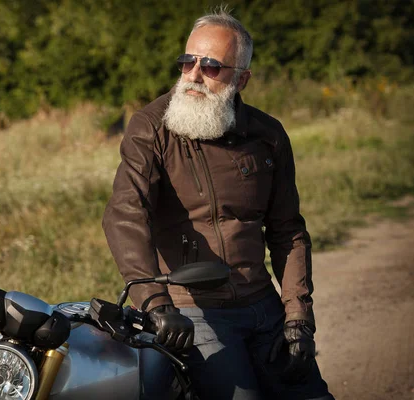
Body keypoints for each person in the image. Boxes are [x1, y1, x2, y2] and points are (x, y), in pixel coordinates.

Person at [102, 7, 334, 400]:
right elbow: (126, 214)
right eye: (187, 61)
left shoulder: (268, 135)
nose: (193, 75)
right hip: (191, 310)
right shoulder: (150, 127)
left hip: (263, 304)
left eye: (210, 66)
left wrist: (297, 315)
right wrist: (157, 304)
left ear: (241, 79)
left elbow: (287, 230)